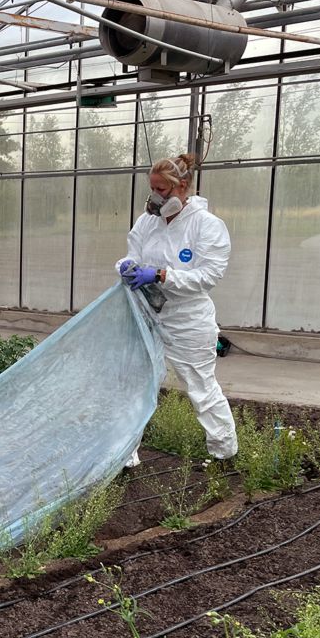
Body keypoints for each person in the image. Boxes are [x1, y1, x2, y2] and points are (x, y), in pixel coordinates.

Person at [118, 154, 238, 461]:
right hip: (148, 314)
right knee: (137, 386)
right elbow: (131, 253)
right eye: (153, 188)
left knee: (200, 387)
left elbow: (207, 277)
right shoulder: (148, 221)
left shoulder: (206, 226)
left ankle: (224, 454)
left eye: (162, 190)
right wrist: (128, 266)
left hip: (188, 319)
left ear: (182, 187)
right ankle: (125, 455)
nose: (155, 197)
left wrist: (160, 274)